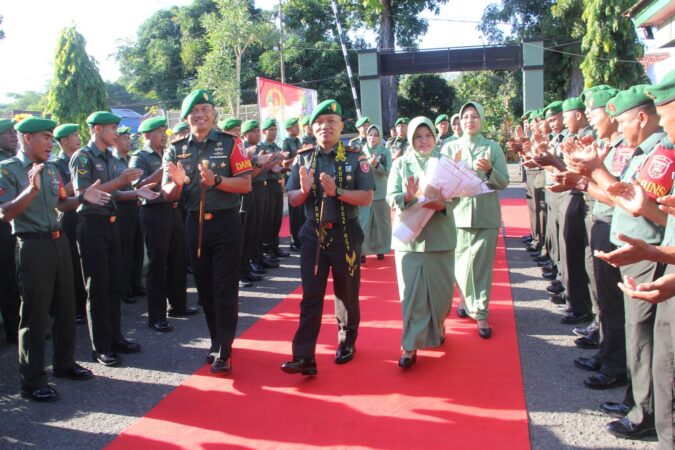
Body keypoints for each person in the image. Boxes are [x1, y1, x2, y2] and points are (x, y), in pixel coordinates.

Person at [0, 117, 111, 401]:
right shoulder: (8, 170)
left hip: (59, 241)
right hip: (32, 246)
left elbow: (63, 203)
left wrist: (85, 196)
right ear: (27, 139)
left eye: (52, 138)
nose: (51, 143)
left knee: (65, 306)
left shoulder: (51, 169)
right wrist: (32, 189)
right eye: (46, 137)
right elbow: (5, 213)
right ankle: (33, 380)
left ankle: (64, 363)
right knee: (35, 315)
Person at [162, 89, 253, 373]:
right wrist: (176, 184)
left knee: (224, 287)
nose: (200, 115)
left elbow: (246, 184)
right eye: (194, 111)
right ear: (186, 117)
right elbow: (168, 193)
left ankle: (224, 349)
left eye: (205, 109)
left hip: (226, 223)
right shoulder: (176, 148)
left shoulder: (231, 143)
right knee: (205, 288)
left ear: (213, 114)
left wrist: (217, 181)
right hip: (194, 223)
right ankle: (217, 341)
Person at [281, 99, 375, 376]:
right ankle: (304, 355)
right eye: (320, 122)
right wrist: (304, 189)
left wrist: (338, 193)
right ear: (312, 128)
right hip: (313, 234)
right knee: (311, 295)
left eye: (331, 122)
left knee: (346, 292)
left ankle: (347, 341)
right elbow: (294, 200)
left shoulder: (356, 157)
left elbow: (367, 198)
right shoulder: (304, 157)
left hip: (346, 233)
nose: (325, 127)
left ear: (341, 126)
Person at [70, 111, 158, 367]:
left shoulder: (108, 156)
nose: (116, 134)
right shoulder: (83, 157)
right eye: (112, 129)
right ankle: (101, 347)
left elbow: (115, 194)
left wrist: (135, 192)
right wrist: (119, 181)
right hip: (92, 225)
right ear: (97, 129)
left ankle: (115, 337)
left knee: (114, 285)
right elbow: (84, 193)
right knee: (97, 288)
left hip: (111, 224)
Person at [387, 116, 456, 367]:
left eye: (428, 135)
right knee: (411, 295)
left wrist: (443, 204)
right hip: (409, 238)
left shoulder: (445, 162)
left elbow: (458, 194)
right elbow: (390, 196)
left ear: (435, 137)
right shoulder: (401, 164)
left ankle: (437, 326)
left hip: (440, 236)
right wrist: (406, 196)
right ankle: (410, 345)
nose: (423, 141)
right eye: (418, 136)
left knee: (442, 295)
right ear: (410, 138)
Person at [441, 101, 509, 339]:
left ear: (482, 120)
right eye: (466, 116)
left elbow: (503, 183)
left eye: (474, 116)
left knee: (481, 266)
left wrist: (490, 170)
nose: (470, 121)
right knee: (459, 264)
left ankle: (480, 312)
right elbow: (441, 184)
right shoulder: (449, 148)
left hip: (485, 215)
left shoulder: (492, 148)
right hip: (458, 215)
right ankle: (465, 300)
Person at [131, 116, 195, 333]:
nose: (164, 136)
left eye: (164, 132)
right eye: (159, 132)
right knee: (158, 264)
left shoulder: (169, 154)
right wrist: (162, 171)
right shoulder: (139, 157)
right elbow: (137, 186)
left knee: (177, 259)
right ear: (147, 135)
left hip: (174, 210)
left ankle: (178, 305)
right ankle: (156, 316)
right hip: (154, 211)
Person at [53, 123, 88, 324]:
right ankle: (76, 308)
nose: (78, 137)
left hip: (84, 213)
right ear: (64, 141)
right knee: (73, 263)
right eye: (74, 135)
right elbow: (60, 194)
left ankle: (85, 304)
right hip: (68, 216)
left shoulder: (82, 159)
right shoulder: (57, 165)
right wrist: (79, 181)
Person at [112, 126, 141, 305]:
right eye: (124, 138)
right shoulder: (113, 161)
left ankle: (135, 284)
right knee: (124, 250)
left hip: (135, 206)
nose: (128, 141)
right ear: (115, 141)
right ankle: (124, 289)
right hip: (122, 208)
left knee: (137, 248)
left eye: (129, 138)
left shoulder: (131, 159)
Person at [359, 124, 392, 262]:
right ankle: (362, 252)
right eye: (370, 134)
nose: (373, 137)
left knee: (381, 224)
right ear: (366, 136)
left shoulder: (385, 152)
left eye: (376, 135)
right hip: (364, 192)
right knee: (363, 223)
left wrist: (376, 165)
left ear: (380, 137)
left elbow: (389, 171)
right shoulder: (360, 151)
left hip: (381, 193)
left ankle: (381, 249)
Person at [0, 118, 20, 344]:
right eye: (9, 133)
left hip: (19, 224)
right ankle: (13, 329)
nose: (14, 136)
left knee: (19, 276)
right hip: (4, 225)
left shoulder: (15, 159)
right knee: (7, 278)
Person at [239, 119, 265, 286]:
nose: (258, 133)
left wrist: (262, 162)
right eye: (254, 131)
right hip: (241, 194)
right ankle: (241, 272)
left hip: (251, 192)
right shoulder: (240, 149)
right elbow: (248, 174)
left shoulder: (251, 148)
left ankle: (246, 269)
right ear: (245, 134)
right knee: (242, 235)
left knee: (252, 232)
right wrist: (255, 162)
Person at [259, 119, 290, 259]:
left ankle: (274, 246)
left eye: (275, 129)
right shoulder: (261, 148)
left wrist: (284, 166)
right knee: (268, 218)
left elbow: (278, 167)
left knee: (277, 217)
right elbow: (263, 168)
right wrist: (276, 161)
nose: (273, 132)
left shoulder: (277, 147)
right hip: (266, 184)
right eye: (270, 129)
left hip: (277, 183)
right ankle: (267, 249)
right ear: (264, 131)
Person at [282, 117, 306, 252]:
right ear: (289, 129)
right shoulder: (286, 142)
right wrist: (297, 156)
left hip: (300, 176)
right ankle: (294, 240)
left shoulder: (298, 141)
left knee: (301, 212)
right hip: (291, 177)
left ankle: (300, 238)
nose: (298, 128)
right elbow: (284, 162)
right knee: (294, 213)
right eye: (295, 126)